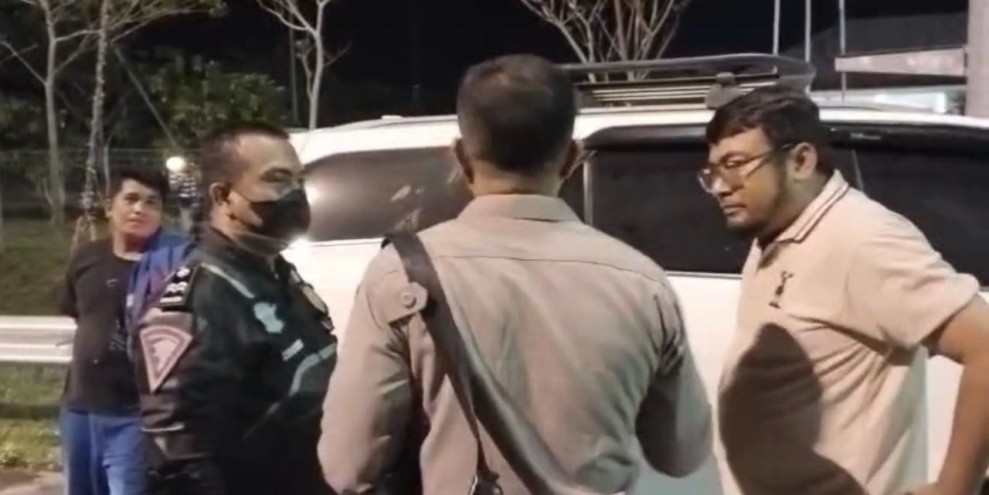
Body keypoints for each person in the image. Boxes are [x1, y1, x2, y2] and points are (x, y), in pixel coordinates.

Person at [318, 54, 713, 494]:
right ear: (571, 157)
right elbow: (681, 455)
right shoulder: (643, 282)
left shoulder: (399, 275)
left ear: (460, 156)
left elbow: (348, 465)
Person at [705, 86, 989, 495]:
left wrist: (955, 487)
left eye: (735, 165)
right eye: (713, 171)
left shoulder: (862, 239)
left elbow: (985, 344)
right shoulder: (778, 229)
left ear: (801, 161)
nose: (720, 186)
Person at [131, 122, 337, 495]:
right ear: (224, 196)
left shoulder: (276, 272)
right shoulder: (196, 301)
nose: (295, 193)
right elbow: (177, 454)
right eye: (277, 180)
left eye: (299, 180)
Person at [59, 167, 171, 495]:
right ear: (110, 207)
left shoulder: (172, 267)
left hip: (135, 415)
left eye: (151, 202)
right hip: (80, 408)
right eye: (131, 199)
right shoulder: (86, 258)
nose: (140, 209)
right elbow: (79, 314)